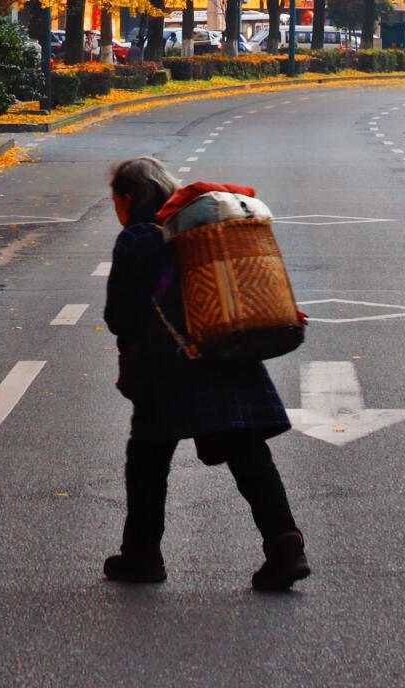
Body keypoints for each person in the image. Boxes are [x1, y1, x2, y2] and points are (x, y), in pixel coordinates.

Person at [103, 157, 309, 591]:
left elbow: (120, 317)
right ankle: (286, 547)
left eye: (115, 200)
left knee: (148, 458)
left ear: (126, 199)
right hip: (230, 346)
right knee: (248, 452)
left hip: (169, 366)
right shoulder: (199, 229)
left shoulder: (137, 238)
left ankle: (142, 555)